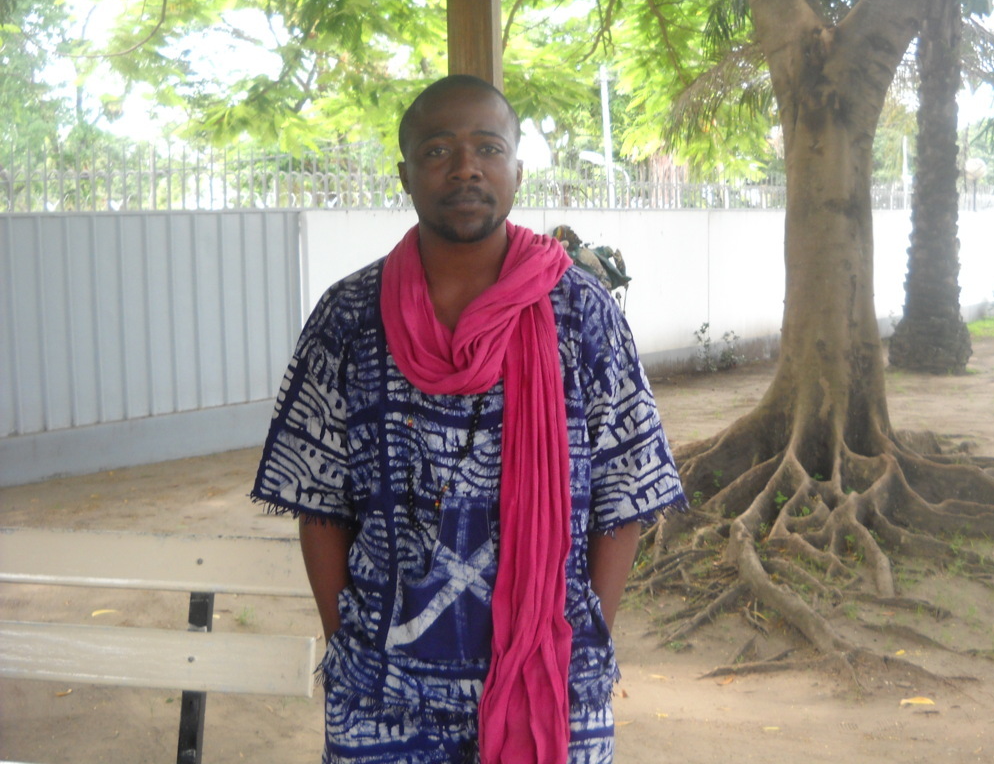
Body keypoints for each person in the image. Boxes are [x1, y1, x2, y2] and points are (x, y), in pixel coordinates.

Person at [251, 74, 686, 764]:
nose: (465, 168)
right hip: (383, 696)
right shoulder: (349, 317)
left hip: (551, 690)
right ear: (405, 174)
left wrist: (577, 640)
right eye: (437, 151)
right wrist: (354, 645)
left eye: (488, 148)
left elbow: (625, 495)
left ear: (517, 170)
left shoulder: (582, 314)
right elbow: (320, 504)